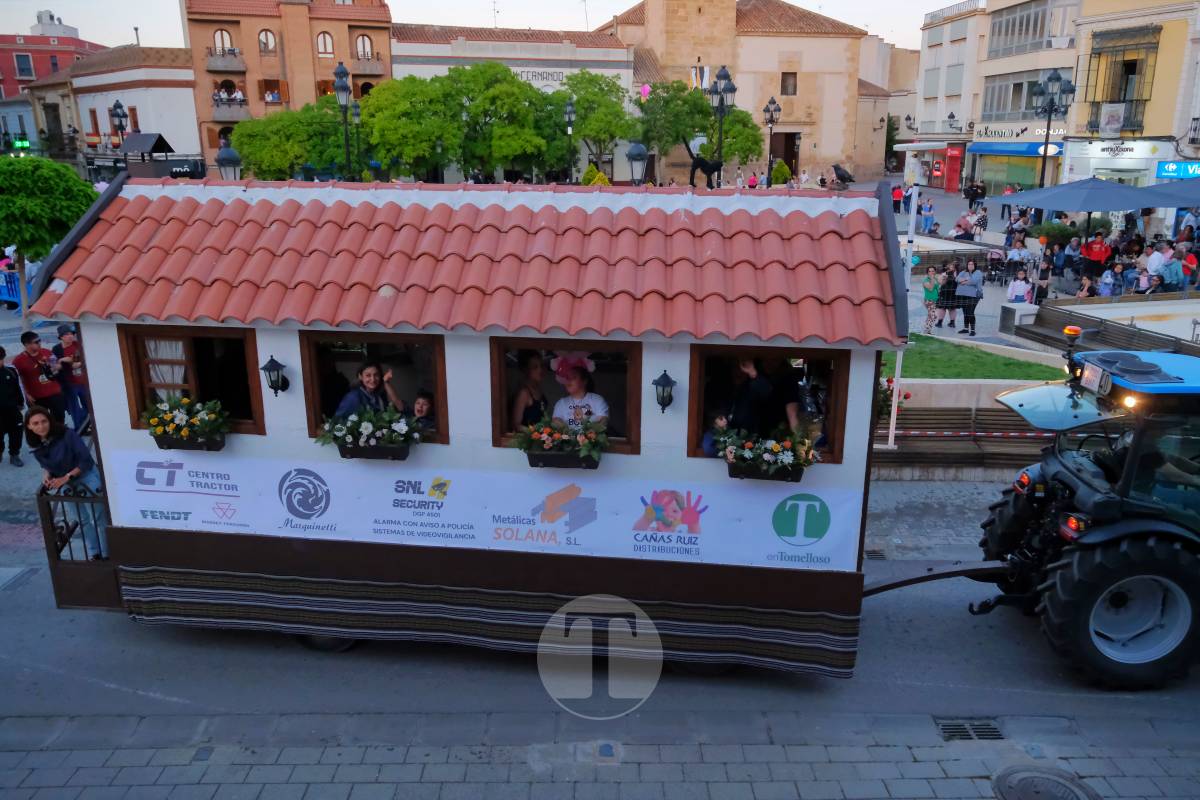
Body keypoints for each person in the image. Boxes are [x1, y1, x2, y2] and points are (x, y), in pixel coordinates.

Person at [26, 406, 106, 559]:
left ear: (50, 421)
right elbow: (45, 463)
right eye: (35, 423)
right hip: (64, 483)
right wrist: (47, 473)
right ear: (29, 426)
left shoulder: (67, 434)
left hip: (85, 477)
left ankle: (108, 554)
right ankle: (95, 553)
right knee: (81, 520)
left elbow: (86, 461)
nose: (41, 426)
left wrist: (65, 477)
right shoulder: (35, 444)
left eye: (44, 421)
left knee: (99, 518)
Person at [12, 331, 66, 424]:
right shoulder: (18, 361)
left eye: (39, 340)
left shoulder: (47, 352)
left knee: (59, 418)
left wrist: (52, 366)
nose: (40, 343)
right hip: (36, 397)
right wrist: (26, 394)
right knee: (40, 421)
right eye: (36, 342)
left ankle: (58, 436)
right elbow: (17, 381)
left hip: (55, 393)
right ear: (27, 344)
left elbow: (59, 366)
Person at [52, 324, 89, 432]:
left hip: (82, 381)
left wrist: (79, 363)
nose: (71, 336)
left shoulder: (78, 345)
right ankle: (80, 427)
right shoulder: (57, 349)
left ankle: (88, 424)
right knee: (74, 407)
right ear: (61, 337)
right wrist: (64, 360)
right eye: (67, 334)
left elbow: (87, 357)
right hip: (69, 383)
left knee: (88, 404)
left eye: (72, 334)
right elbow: (55, 366)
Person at [333, 362, 403, 417]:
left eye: (376, 375)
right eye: (368, 375)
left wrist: (386, 382)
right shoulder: (353, 397)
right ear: (360, 377)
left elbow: (400, 407)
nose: (373, 379)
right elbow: (337, 420)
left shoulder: (379, 395)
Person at [552, 366, 608, 433]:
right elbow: (556, 422)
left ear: (584, 381)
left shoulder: (597, 400)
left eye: (573, 377)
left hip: (591, 442)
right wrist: (570, 435)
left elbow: (603, 421)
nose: (569, 380)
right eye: (567, 377)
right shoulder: (561, 403)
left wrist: (588, 435)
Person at [510, 350, 548, 430]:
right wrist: (535, 433)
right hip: (528, 440)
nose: (540, 370)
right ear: (526, 370)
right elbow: (516, 425)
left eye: (541, 366)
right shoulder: (524, 393)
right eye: (535, 367)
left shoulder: (538, 389)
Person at [0, 346, 24, 466]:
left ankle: (14, 455)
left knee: (16, 433)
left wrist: (20, 403)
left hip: (12, 410)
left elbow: (17, 388)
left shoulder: (10, 371)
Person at [955, 260, 984, 336]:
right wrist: (966, 279)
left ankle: (973, 330)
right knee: (965, 312)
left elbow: (973, 281)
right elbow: (957, 279)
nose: (970, 266)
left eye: (972, 264)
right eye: (969, 264)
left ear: (975, 265)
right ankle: (966, 329)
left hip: (974, 295)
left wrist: (963, 281)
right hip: (963, 295)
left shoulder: (978, 272)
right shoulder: (963, 272)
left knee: (970, 312)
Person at [936, 263, 959, 329]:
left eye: (952, 267)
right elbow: (940, 282)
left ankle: (941, 322)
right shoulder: (958, 274)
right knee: (950, 308)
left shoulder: (949, 274)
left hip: (946, 292)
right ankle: (950, 323)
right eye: (950, 267)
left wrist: (944, 278)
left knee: (943, 308)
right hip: (951, 292)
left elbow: (940, 282)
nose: (950, 268)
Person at [921, 266, 939, 334]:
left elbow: (938, 286)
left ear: (935, 272)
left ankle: (927, 329)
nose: (931, 272)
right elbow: (931, 289)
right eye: (929, 271)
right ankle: (927, 329)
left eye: (933, 271)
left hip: (935, 300)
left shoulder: (935, 279)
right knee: (933, 316)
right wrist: (931, 279)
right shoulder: (925, 281)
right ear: (927, 273)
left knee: (930, 315)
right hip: (929, 300)